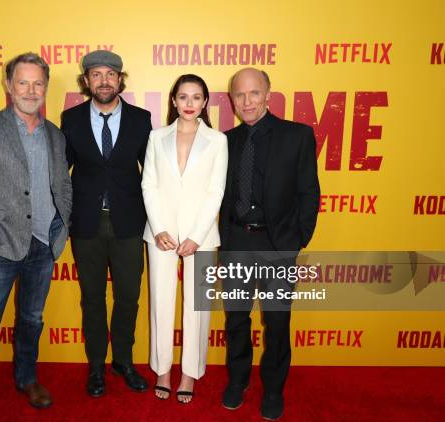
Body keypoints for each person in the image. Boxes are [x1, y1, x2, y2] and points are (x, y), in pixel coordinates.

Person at [0, 52, 72, 422]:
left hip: (43, 245)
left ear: (46, 88)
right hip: (0, 246)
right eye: (22, 82)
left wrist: (61, 227)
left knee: (31, 321)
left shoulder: (55, 134)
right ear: (8, 85)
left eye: (38, 83)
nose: (30, 90)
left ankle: (27, 378)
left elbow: (63, 185)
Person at [219, 68, 320, 420]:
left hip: (278, 244)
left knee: (276, 322)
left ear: (268, 94)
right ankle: (238, 379)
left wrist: (296, 240)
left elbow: (309, 193)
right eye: (239, 95)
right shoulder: (224, 141)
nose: (246, 102)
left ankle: (274, 388)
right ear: (231, 98)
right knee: (236, 319)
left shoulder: (298, 136)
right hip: (235, 242)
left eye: (254, 93)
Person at [61, 50, 152, 397]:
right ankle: (97, 365)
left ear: (120, 79)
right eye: (96, 75)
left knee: (128, 297)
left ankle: (124, 361)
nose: (103, 81)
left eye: (110, 74)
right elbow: (62, 175)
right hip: (86, 225)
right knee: (93, 299)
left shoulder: (141, 120)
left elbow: (153, 176)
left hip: (129, 225)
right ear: (86, 81)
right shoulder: (70, 119)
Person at [142, 74, 228, 403]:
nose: (189, 104)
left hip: (201, 236)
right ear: (173, 101)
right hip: (160, 234)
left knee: (198, 307)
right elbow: (148, 184)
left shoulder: (218, 141)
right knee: (161, 303)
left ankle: (190, 372)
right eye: (183, 97)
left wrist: (195, 235)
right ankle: (162, 369)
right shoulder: (156, 137)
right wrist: (160, 227)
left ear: (205, 103)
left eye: (196, 97)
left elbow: (215, 191)